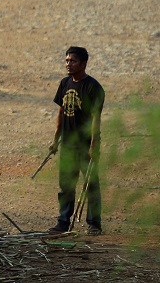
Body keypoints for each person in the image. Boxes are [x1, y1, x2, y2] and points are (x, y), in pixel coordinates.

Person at [46, 46, 105, 235]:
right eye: (66, 60)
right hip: (68, 144)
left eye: (72, 61)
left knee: (91, 184)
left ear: (84, 63)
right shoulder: (64, 84)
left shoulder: (93, 87)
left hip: (85, 144)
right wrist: (56, 140)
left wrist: (94, 145)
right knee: (66, 185)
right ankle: (63, 222)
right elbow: (61, 112)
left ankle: (94, 223)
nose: (68, 64)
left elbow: (96, 118)